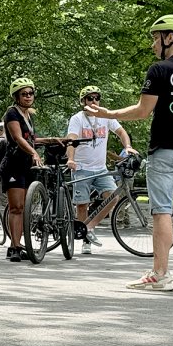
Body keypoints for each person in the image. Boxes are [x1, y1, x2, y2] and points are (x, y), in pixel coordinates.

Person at [87, 15, 173, 292]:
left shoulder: (159, 70)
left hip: (164, 153)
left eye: (156, 37)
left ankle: (160, 274)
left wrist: (109, 114)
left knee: (161, 212)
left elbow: (143, 111)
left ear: (170, 37)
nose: (153, 44)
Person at [65, 85, 136, 255]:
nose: (94, 101)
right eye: (90, 98)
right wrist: (71, 159)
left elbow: (121, 132)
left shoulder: (105, 117)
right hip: (81, 168)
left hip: (100, 168)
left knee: (113, 197)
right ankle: (84, 240)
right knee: (82, 205)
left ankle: (88, 227)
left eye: (97, 98)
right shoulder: (77, 119)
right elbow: (71, 140)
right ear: (83, 101)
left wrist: (127, 146)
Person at [0, 77, 44, 262]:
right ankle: (14, 247)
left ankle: (19, 244)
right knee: (16, 208)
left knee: (25, 208)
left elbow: (31, 138)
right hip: (14, 164)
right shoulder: (12, 113)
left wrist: (56, 140)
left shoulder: (29, 116)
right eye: (24, 94)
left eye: (30, 93)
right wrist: (34, 153)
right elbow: (18, 138)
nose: (28, 97)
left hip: (27, 166)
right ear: (16, 97)